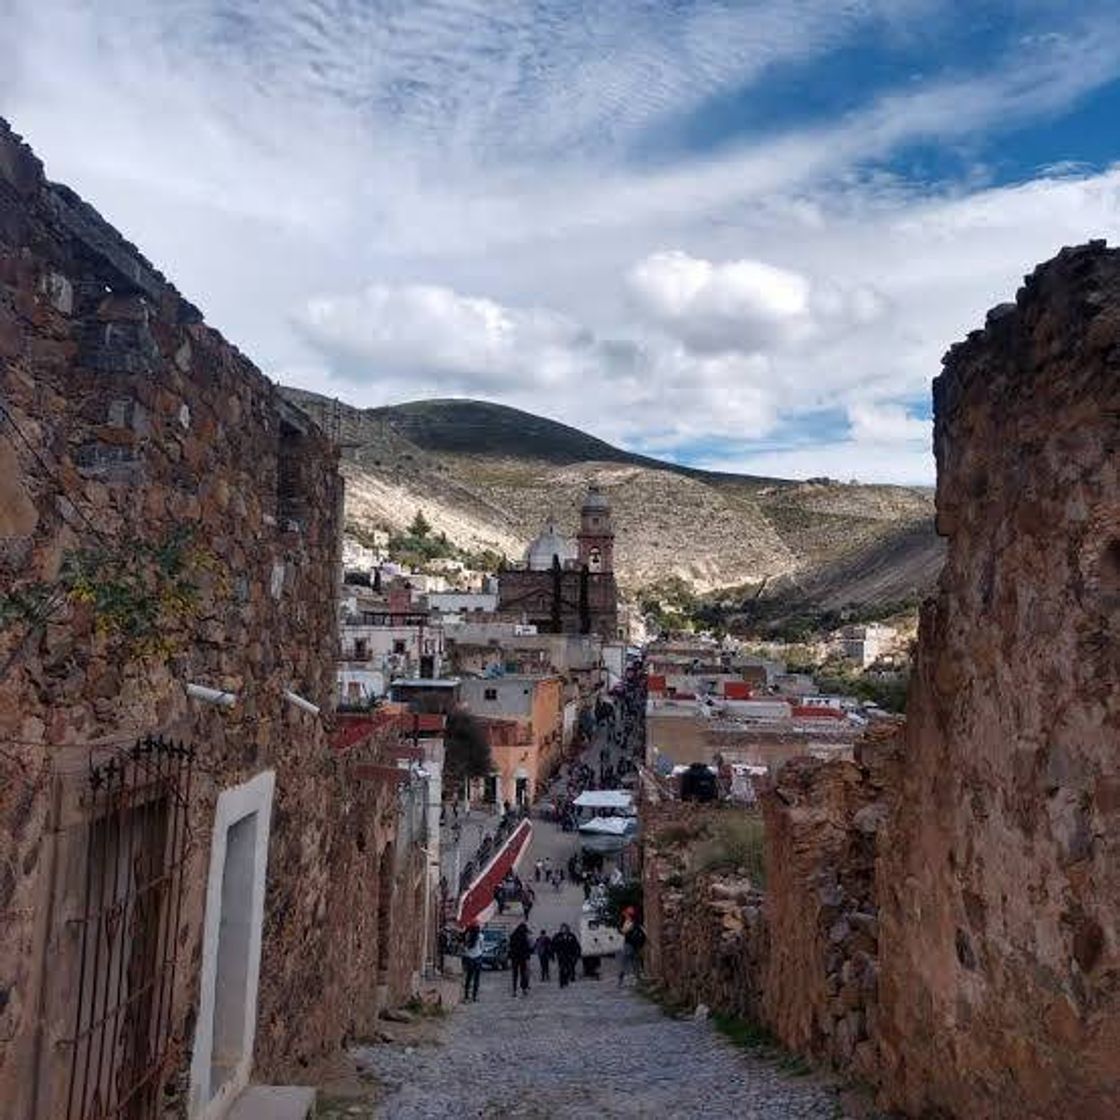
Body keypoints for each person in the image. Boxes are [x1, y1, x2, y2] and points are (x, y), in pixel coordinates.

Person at [618, 909, 646, 988]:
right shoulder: (637, 924)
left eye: (626, 914)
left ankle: (621, 980)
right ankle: (638, 979)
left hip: (628, 945)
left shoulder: (629, 923)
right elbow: (644, 933)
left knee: (624, 963)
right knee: (635, 962)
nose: (625, 916)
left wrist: (621, 929)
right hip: (636, 945)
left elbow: (624, 931)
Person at [553, 923, 581, 988]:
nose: (564, 930)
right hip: (561, 955)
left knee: (569, 968)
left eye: (565, 929)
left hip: (569, 955)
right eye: (563, 929)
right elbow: (553, 944)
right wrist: (554, 953)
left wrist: (577, 954)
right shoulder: (558, 936)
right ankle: (562, 982)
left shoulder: (572, 936)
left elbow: (576, 945)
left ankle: (568, 978)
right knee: (561, 968)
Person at [509, 921, 533, 997]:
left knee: (515, 975)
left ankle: (514, 990)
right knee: (523, 974)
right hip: (522, 958)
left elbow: (510, 947)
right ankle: (523, 989)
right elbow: (529, 948)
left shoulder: (513, 936)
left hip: (515, 958)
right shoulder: (524, 937)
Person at [461, 922, 483, 1002]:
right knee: (476, 979)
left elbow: (464, 946)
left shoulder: (467, 936)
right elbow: (481, 947)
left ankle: (466, 996)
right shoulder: (480, 937)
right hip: (478, 958)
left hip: (469, 958)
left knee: (468, 978)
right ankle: (474, 996)